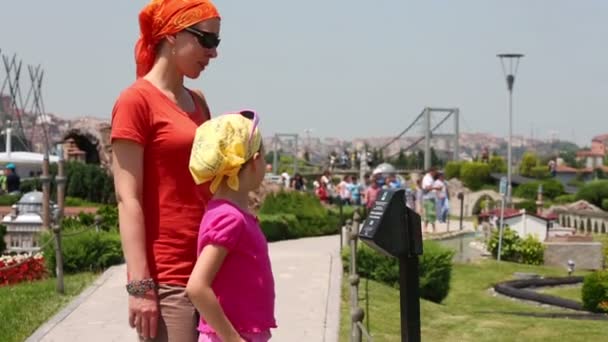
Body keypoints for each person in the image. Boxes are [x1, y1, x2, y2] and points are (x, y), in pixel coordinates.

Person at [110, 1, 220, 340]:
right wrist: (140, 287)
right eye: (207, 40)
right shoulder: (135, 102)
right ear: (172, 35)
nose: (213, 53)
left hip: (210, 271)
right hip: (168, 279)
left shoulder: (198, 101)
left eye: (217, 43)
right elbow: (128, 199)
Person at [187, 111, 276, 342]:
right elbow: (197, 286)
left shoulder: (226, 212)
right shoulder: (230, 217)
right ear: (255, 161)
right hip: (233, 335)